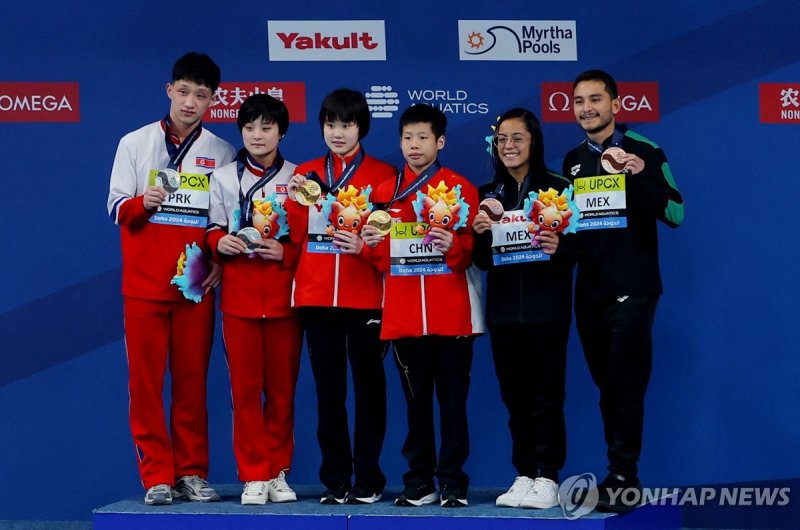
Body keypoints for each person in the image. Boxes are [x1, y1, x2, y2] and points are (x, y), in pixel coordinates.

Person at [107, 52, 236, 505]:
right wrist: (146, 200)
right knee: (145, 385)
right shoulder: (135, 143)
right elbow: (117, 208)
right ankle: (157, 476)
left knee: (192, 384)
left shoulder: (221, 152)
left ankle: (192, 472)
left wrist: (219, 257)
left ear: (213, 100)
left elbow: (222, 221)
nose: (190, 102)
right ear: (169, 90)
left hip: (195, 286)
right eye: (183, 92)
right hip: (143, 286)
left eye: (201, 95)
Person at [563, 69, 684, 512]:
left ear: (616, 104)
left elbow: (675, 212)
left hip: (634, 288)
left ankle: (623, 477)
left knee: (625, 383)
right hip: (590, 291)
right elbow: (574, 227)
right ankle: (618, 474)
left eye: (596, 99)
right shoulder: (572, 160)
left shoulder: (645, 150)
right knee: (606, 387)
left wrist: (639, 176)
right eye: (579, 101)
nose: (587, 108)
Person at [360, 104, 483, 508]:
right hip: (405, 317)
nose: (414, 146)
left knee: (452, 405)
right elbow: (378, 259)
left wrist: (456, 246)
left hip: (453, 316)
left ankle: (452, 483)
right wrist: (372, 247)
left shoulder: (461, 189)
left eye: (423, 138)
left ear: (440, 142)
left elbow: (471, 251)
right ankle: (419, 482)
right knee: (415, 406)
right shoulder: (383, 193)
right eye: (408, 138)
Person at [284, 88, 396, 505]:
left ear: (361, 127)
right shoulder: (306, 173)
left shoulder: (384, 176)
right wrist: (297, 201)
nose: (338, 132)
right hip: (316, 297)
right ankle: (336, 479)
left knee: (369, 389)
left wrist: (364, 246)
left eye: (346, 124)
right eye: (330, 124)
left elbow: (387, 244)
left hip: (366, 296)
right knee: (328, 391)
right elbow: (297, 235)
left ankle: (368, 478)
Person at [472, 108, 575, 509]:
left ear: (534, 142)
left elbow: (582, 247)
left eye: (517, 138)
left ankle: (548, 476)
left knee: (546, 396)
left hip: (547, 310)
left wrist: (560, 247)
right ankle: (524, 473)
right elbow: (482, 261)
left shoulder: (559, 187)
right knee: (514, 397)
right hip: (503, 313)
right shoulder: (487, 194)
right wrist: (481, 236)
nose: (509, 146)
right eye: (502, 140)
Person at [205, 94, 302, 505]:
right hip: (239, 300)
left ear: (281, 131)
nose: (257, 136)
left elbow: (311, 239)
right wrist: (218, 243)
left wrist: (287, 253)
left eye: (266, 127)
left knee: (282, 391)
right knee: (245, 391)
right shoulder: (224, 177)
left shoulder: (301, 179)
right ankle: (253, 474)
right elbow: (210, 228)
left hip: (285, 300)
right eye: (249, 128)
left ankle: (278, 471)